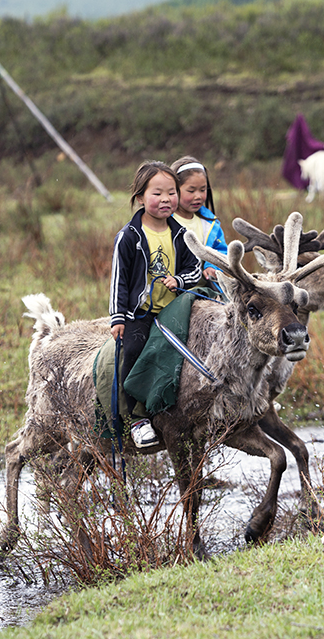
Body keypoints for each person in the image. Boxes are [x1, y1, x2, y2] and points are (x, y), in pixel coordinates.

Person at [110, 160, 202, 448]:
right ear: (140, 198)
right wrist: (118, 318)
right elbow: (119, 280)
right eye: (157, 193)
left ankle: (180, 411)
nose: (166, 200)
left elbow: (195, 268)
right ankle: (136, 418)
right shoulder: (129, 236)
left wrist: (180, 280)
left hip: (174, 311)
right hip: (140, 314)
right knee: (134, 351)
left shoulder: (181, 234)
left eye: (172, 193)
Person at [170, 156, 228, 284]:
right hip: (174, 291)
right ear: (173, 189)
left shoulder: (210, 224)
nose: (198, 196)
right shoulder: (165, 222)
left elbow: (221, 251)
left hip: (206, 292)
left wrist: (213, 267)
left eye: (203, 190)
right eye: (191, 191)